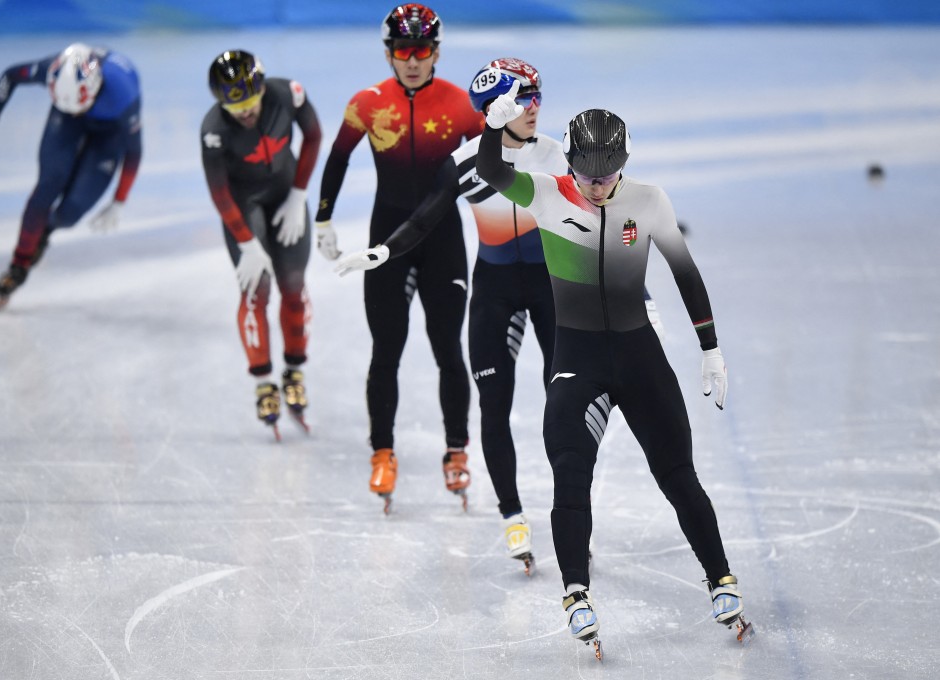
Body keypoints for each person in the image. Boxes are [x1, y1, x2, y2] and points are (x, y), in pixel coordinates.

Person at [336, 57, 667, 568]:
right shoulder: (465, 160)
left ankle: (573, 518)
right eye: (523, 99)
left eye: (537, 95)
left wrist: (638, 290)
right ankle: (512, 515)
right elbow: (425, 217)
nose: (535, 107)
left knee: (567, 406)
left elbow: (605, 223)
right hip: (493, 292)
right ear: (494, 110)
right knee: (494, 402)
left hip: (552, 290)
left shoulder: (560, 157)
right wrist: (384, 251)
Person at [475, 79, 752, 654]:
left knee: (678, 475)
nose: (597, 188)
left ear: (623, 166)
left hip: (638, 354)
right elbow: (494, 176)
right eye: (587, 176)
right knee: (570, 471)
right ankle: (576, 592)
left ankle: (721, 579)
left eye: (607, 177)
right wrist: (494, 131)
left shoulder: (648, 200)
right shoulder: (548, 193)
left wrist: (711, 348)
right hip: (577, 361)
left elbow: (685, 273)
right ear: (570, 164)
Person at [314, 3, 484, 511]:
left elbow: (492, 169)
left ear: (436, 52)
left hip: (443, 240)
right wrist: (323, 218)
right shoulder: (367, 103)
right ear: (389, 53)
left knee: (447, 349)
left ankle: (456, 451)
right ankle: (382, 452)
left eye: (422, 51)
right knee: (386, 349)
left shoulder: (461, 106)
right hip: (385, 237)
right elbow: (339, 157)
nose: (413, 61)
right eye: (403, 51)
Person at [201, 50, 322, 437]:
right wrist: (247, 243)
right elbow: (219, 192)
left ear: (261, 90)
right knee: (256, 291)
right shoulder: (214, 128)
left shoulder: (289, 95)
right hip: (243, 206)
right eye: (232, 104)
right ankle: (263, 383)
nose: (243, 111)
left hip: (286, 194)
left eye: (248, 101)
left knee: (292, 285)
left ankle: (295, 372)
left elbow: (315, 135)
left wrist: (299, 194)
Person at [0, 43, 143, 312]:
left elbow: (134, 151)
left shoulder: (123, 94)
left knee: (70, 213)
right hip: (65, 118)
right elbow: (10, 76)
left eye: (80, 107)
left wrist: (120, 200)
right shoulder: (52, 69)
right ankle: (18, 267)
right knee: (48, 185)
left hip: (109, 133)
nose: (77, 111)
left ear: (94, 90)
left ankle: (46, 230)